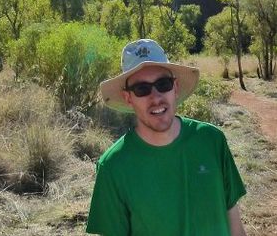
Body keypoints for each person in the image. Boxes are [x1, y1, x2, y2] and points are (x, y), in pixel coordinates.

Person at [86, 39, 247, 236]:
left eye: (163, 84)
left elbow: (233, 219)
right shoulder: (113, 167)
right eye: (142, 89)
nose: (155, 97)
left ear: (175, 88)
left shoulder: (212, 140)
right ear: (129, 98)